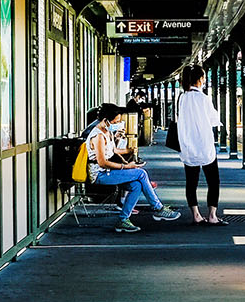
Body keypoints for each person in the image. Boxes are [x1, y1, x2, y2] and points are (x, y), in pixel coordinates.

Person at [87, 104, 179, 232]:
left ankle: (123, 219)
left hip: (109, 171)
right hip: (100, 174)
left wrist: (129, 150)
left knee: (136, 185)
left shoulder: (107, 132)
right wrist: (126, 166)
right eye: (116, 122)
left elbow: (113, 150)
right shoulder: (98, 136)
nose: (118, 124)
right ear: (105, 120)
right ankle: (158, 208)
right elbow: (102, 162)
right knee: (141, 173)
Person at [174, 65, 225, 225]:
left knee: (191, 182)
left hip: (188, 145)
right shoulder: (204, 98)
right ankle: (212, 216)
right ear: (200, 79)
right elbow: (214, 119)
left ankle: (196, 215)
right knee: (213, 182)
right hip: (204, 145)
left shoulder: (182, 98)